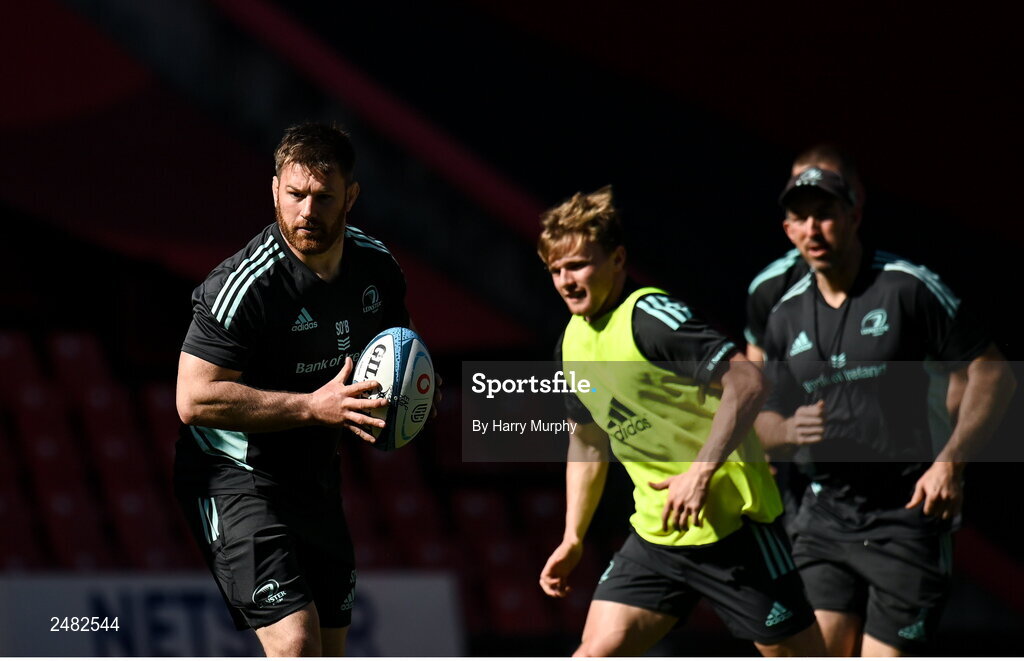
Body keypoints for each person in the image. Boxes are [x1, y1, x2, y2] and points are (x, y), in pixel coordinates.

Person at [536, 186, 825, 657]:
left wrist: (701, 471)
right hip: (658, 535)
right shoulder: (570, 346)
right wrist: (573, 537)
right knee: (593, 653)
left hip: (733, 530)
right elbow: (587, 445)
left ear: (617, 259)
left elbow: (748, 381)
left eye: (579, 265)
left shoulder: (650, 317)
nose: (567, 280)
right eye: (556, 270)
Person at [754, 164, 1016, 656]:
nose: (813, 229)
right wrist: (788, 427)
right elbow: (762, 419)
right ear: (788, 230)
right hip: (824, 517)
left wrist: (950, 463)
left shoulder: (906, 287)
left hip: (907, 512)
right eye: (801, 218)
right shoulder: (784, 313)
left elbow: (992, 372)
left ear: (853, 215)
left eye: (825, 214)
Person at [174, 122, 413, 657]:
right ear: (274, 189)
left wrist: (418, 391)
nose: (308, 211)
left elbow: (399, 349)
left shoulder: (376, 266)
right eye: (295, 194)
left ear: (350, 197)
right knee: (297, 646)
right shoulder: (242, 286)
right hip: (236, 481)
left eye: (324, 197)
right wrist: (312, 406)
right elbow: (193, 399)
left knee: (329, 650)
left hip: (316, 482)